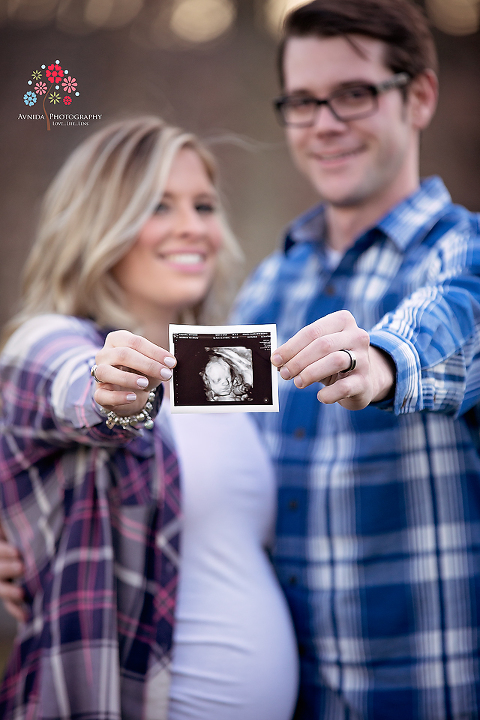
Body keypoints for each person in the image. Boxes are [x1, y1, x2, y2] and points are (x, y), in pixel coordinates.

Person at [0, 116, 299, 720]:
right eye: (159, 206)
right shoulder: (46, 339)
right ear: (99, 225)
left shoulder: (223, 366)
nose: (192, 227)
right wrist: (113, 394)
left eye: (204, 205)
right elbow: (73, 386)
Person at [231, 1, 480, 718]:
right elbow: (215, 470)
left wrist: (383, 358)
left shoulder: (460, 252)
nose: (325, 124)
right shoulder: (265, 290)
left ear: (420, 95)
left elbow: (459, 317)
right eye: (304, 102)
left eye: (354, 94)